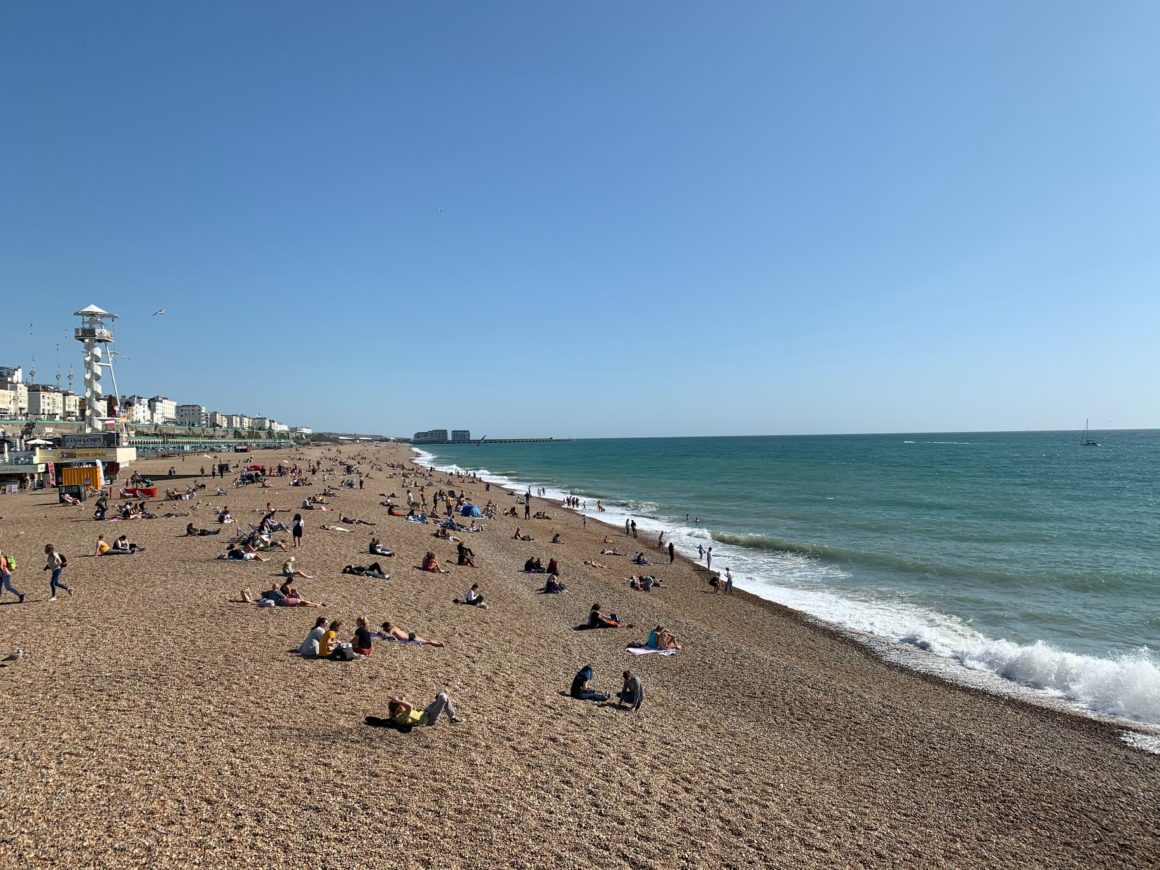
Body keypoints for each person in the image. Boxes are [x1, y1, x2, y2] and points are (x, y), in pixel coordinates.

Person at [387, 692, 461, 727]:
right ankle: (439, 696)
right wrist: (399, 701)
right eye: (401, 705)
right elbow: (410, 706)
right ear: (397, 709)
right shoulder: (401, 718)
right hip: (430, 718)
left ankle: (452, 718)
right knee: (443, 697)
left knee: (444, 698)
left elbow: (399, 705)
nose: (403, 705)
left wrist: (399, 700)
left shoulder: (394, 714)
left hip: (426, 712)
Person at [379, 621, 444, 647]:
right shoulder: (395, 627)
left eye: (384, 628)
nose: (383, 630)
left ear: (386, 627)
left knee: (427, 642)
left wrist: (382, 635)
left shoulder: (391, 629)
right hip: (410, 635)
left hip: (409, 638)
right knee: (426, 640)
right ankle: (438, 642)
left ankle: (440, 645)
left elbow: (388, 635)